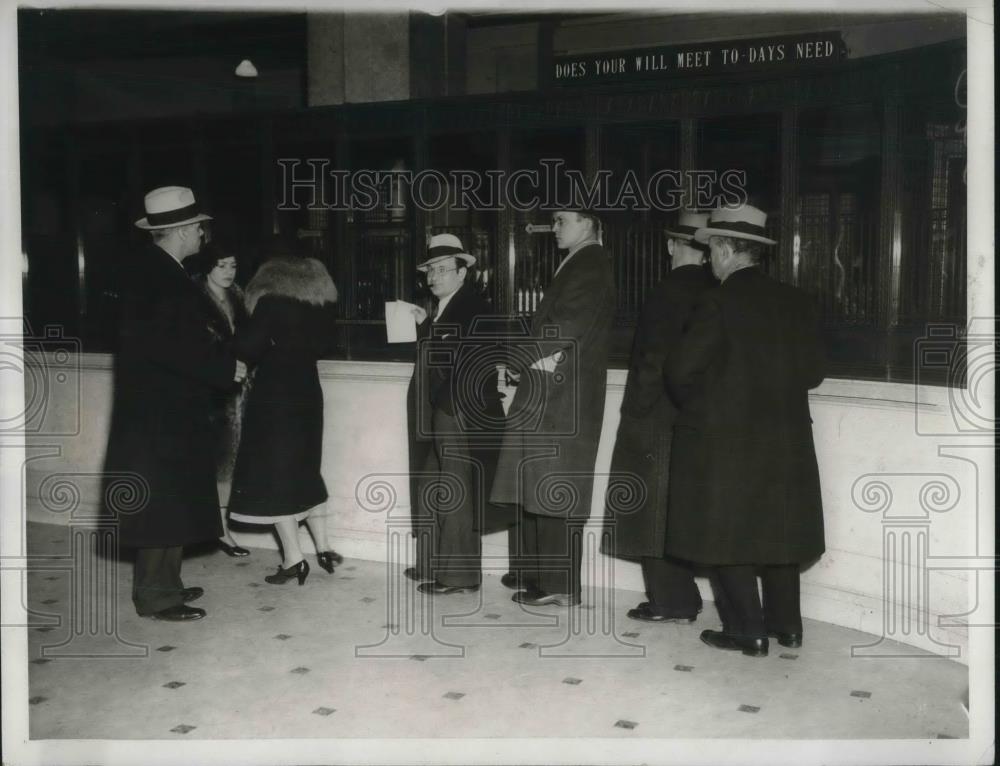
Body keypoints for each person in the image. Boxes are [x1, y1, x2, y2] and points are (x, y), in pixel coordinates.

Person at [664, 203, 827, 657]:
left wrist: (709, 404)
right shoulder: (797, 301)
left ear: (722, 249)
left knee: (726, 533)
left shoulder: (716, 300)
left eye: (712, 248)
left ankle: (747, 631)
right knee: (778, 530)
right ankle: (787, 627)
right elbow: (813, 372)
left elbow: (679, 371)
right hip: (786, 439)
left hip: (724, 439)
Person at [102, 186, 247, 621]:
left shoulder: (158, 270)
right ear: (183, 230)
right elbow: (173, 347)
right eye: (199, 227)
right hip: (158, 414)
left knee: (170, 501)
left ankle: (167, 585)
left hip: (164, 409)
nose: (204, 235)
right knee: (160, 505)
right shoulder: (159, 276)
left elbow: (174, 343)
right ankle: (154, 596)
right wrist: (225, 369)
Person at [490, 206, 616, 607]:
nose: (555, 227)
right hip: (559, 391)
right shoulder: (580, 262)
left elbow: (563, 328)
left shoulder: (590, 264)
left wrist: (514, 360)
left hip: (564, 397)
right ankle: (547, 579)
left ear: (589, 223)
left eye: (563, 220)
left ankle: (560, 586)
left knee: (556, 486)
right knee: (544, 484)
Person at [603, 211, 716, 623]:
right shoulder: (715, 288)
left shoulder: (666, 290)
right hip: (697, 415)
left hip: (654, 414)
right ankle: (684, 596)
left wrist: (634, 410)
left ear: (671, 245)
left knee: (650, 510)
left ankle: (671, 602)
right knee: (681, 507)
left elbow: (652, 359)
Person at [227, 253, 340, 585]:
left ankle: (293, 559)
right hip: (308, 390)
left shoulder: (273, 300)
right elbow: (326, 343)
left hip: (275, 395)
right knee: (305, 470)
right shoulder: (320, 302)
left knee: (274, 477)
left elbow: (247, 347)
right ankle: (324, 547)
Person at [404, 233, 504, 595]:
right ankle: (432, 563)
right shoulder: (448, 307)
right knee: (432, 484)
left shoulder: (473, 307)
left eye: (443, 269)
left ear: (463, 273)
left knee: (455, 491)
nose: (434, 277)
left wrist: (447, 405)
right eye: (430, 270)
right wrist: (424, 328)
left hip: (458, 413)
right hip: (444, 411)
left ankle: (459, 576)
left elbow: (467, 363)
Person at [186, 244, 251, 558]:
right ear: (207, 268)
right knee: (213, 462)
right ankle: (213, 529)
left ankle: (221, 529)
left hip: (237, 389)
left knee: (230, 462)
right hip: (207, 391)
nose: (228, 272)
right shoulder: (194, 299)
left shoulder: (238, 297)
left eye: (233, 265)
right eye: (221, 265)